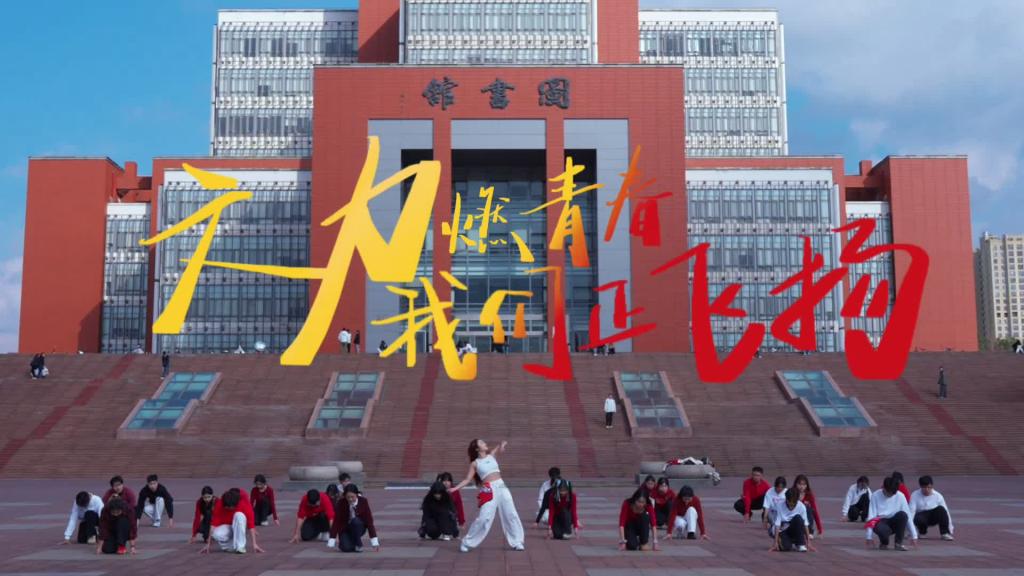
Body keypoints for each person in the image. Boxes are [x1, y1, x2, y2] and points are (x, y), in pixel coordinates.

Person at [450, 439, 525, 552]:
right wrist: (455, 488)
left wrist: (502, 445)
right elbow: (467, 479)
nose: (485, 443)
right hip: (488, 488)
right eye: (482, 443)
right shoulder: (475, 463)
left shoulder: (491, 456)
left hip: (501, 485)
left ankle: (517, 541)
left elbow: (499, 447)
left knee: (511, 513)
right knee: (484, 517)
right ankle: (467, 542)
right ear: (477, 449)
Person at [203, 488, 263, 554]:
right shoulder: (219, 504)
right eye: (227, 507)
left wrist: (254, 544)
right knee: (216, 534)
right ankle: (230, 546)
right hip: (228, 526)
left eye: (231, 508)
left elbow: (251, 525)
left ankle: (240, 547)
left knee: (239, 515)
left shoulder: (244, 503)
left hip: (241, 525)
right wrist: (208, 544)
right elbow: (213, 525)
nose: (229, 509)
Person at [866, 476, 918, 551]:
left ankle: (898, 544)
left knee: (903, 515)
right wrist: (869, 536)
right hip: (881, 522)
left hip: (894, 521)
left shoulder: (900, 496)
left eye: (892, 494)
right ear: (883, 488)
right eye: (888, 493)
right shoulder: (875, 495)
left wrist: (914, 535)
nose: (890, 495)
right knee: (881, 528)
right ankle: (884, 542)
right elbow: (871, 516)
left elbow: (908, 516)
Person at [329, 484, 380, 552]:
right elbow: (336, 521)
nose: (350, 499)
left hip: (359, 527)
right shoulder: (341, 502)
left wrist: (374, 542)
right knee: (346, 548)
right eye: (348, 497)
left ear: (357, 494)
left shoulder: (363, 501)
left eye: (352, 497)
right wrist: (332, 539)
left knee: (355, 521)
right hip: (345, 529)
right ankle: (351, 542)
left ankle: (358, 544)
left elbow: (369, 521)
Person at [770, 488, 814, 553]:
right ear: (786, 499)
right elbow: (777, 524)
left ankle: (800, 544)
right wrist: (775, 542)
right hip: (782, 530)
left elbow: (805, 524)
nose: (791, 506)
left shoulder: (801, 507)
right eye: (789, 503)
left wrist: (809, 542)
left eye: (794, 504)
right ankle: (784, 541)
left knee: (798, 518)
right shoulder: (779, 505)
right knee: (785, 548)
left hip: (793, 528)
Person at [910, 475, 954, 541]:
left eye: (929, 487)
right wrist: (910, 530)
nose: (927, 490)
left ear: (932, 486)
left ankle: (944, 533)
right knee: (918, 518)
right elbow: (911, 512)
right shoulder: (914, 495)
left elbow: (946, 512)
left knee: (941, 509)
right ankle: (922, 532)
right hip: (920, 517)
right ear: (920, 487)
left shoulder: (938, 496)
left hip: (933, 517)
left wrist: (950, 528)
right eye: (924, 487)